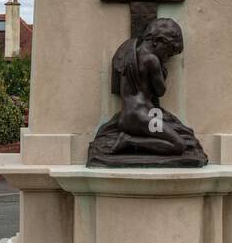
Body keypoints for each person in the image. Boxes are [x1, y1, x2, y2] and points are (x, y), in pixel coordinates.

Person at [87, 17, 208, 166]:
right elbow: (160, 90)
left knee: (177, 132)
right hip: (141, 117)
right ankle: (128, 141)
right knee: (179, 145)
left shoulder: (127, 54)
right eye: (169, 52)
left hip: (129, 115)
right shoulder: (152, 60)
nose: (167, 58)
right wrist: (163, 71)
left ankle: (128, 140)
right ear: (159, 41)